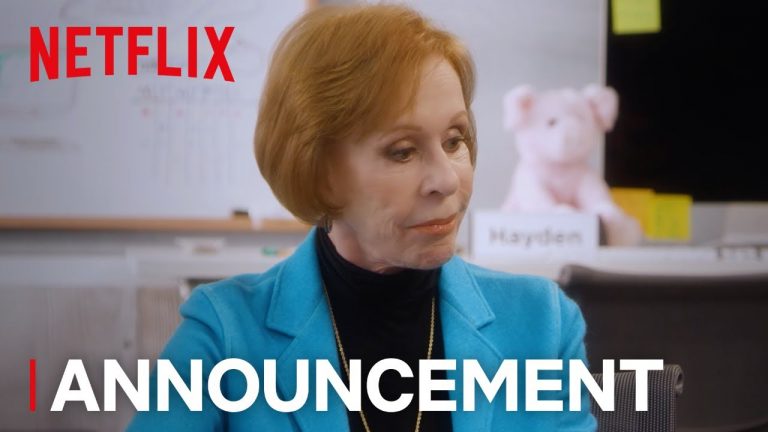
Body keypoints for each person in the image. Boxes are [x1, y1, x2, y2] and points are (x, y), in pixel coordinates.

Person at [129, 4, 596, 431]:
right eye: (403, 151)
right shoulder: (225, 333)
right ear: (321, 173)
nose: (446, 180)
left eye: (454, 140)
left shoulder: (542, 322)